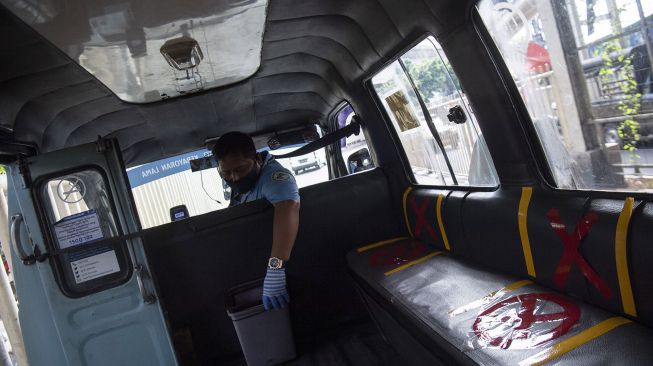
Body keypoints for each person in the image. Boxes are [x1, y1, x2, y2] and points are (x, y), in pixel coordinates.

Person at [212, 132, 300, 311]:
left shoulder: (274, 177)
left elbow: (288, 206)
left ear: (257, 159)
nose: (234, 178)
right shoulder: (242, 185)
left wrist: (276, 269)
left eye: (240, 169)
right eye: (226, 173)